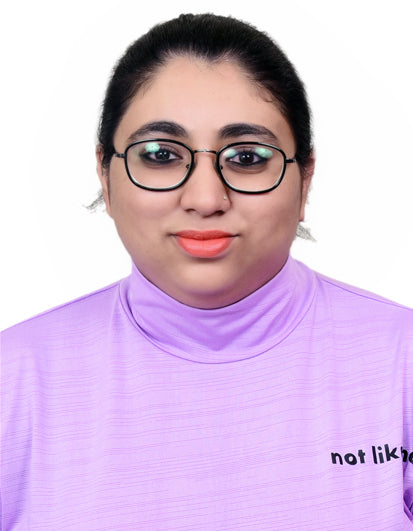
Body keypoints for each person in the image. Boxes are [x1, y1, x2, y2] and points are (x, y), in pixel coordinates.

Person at [1, 12, 412, 530]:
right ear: (105, 174)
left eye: (247, 157)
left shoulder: (402, 364)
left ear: (304, 179)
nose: (205, 198)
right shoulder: (13, 379)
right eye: (160, 154)